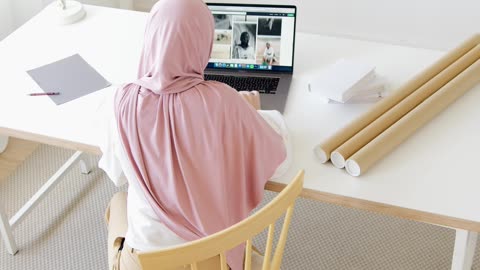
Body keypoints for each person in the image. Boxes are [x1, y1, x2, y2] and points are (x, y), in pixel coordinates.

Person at [99, 0, 291, 269]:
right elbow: (281, 161)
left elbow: (117, 174)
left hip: (144, 264)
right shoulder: (224, 101)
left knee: (119, 202)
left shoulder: (118, 102)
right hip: (213, 262)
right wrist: (246, 114)